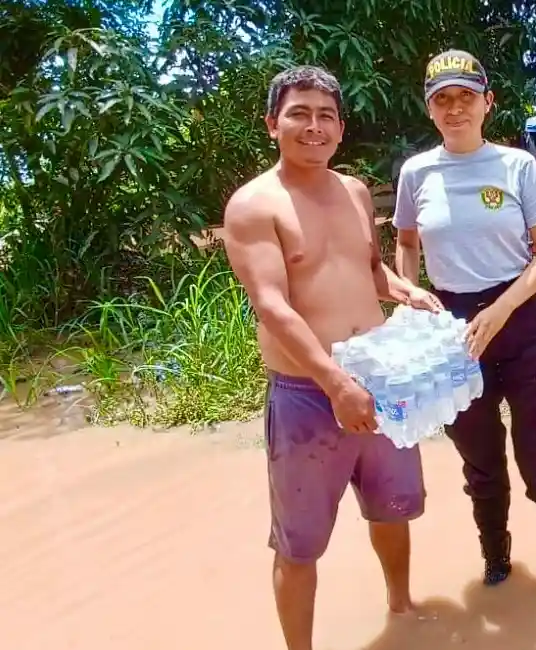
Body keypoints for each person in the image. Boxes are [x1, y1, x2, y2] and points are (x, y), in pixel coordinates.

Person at [220, 65, 442, 650]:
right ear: (273, 124)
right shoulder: (252, 205)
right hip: (307, 396)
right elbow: (272, 305)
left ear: (340, 128)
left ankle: (401, 608)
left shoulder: (356, 191)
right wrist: (336, 383)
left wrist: (403, 288)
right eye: (299, 113)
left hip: (381, 379)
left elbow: (367, 268)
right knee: (298, 544)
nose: (313, 127)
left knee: (393, 510)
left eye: (325, 116)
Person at [393, 50, 536, 603]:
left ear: (487, 102)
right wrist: (410, 296)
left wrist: (502, 308)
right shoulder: (416, 173)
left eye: (465, 97)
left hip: (521, 320)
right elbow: (406, 243)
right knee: (480, 461)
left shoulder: (517, 166)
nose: (455, 109)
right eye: (442, 100)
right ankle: (495, 556)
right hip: (453, 331)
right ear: (429, 110)